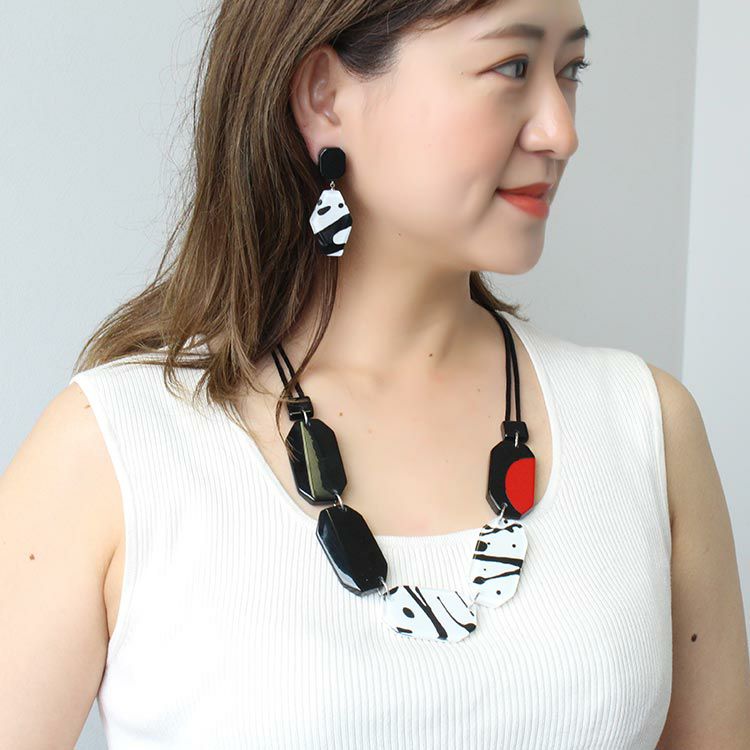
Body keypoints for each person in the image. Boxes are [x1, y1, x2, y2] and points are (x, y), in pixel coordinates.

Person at [2, 0, 748, 747]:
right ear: (325, 95)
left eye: (570, 70)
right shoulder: (113, 449)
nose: (562, 132)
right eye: (512, 67)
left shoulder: (646, 427)